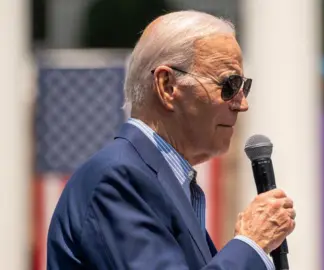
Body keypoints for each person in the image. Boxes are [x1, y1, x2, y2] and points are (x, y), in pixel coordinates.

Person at [47, 10, 296, 270]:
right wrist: (251, 244)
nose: (242, 104)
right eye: (229, 85)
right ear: (167, 86)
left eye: (244, 87)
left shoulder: (158, 180)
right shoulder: (118, 178)